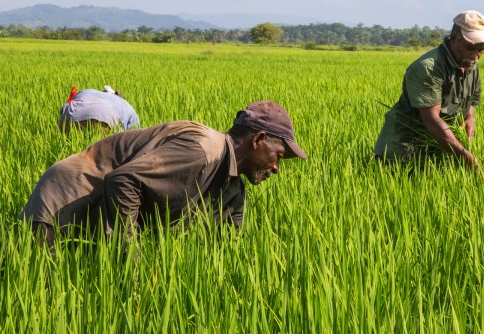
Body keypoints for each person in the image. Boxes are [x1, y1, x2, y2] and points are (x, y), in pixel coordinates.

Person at [20, 100, 307, 249]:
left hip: (102, 215)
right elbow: (123, 181)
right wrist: (129, 254)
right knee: (42, 294)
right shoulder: (202, 150)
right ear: (258, 141)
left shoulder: (233, 190)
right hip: (69, 199)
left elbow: (228, 249)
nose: (277, 168)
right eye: (278, 156)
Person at [374, 10, 484, 173]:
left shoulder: (471, 65)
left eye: (480, 49)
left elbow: (470, 103)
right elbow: (431, 120)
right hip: (403, 153)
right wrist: (466, 157)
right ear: (453, 39)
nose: (476, 56)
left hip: (438, 150)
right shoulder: (428, 68)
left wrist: (469, 123)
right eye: (470, 48)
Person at [58, 85, 140, 133]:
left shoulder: (87, 91)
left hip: (69, 116)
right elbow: (133, 137)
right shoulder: (126, 105)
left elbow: (64, 108)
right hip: (103, 117)